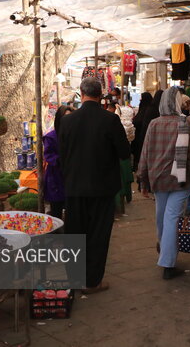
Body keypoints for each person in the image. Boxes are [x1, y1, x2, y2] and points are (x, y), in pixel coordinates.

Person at [58, 77, 130, 294]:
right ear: (101, 94)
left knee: (75, 233)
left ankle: (73, 278)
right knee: (98, 234)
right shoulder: (109, 120)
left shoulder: (67, 121)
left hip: (74, 186)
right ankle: (92, 281)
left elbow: (62, 154)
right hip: (102, 187)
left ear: (81, 93)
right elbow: (125, 153)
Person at [138, 87, 190, 279]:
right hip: (180, 179)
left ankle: (164, 245)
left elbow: (145, 152)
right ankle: (167, 263)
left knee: (162, 216)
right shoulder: (184, 123)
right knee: (171, 218)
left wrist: (143, 180)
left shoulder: (153, 124)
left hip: (158, 178)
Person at [43, 105, 74, 219]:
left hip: (72, 179)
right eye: (65, 118)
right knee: (56, 213)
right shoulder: (50, 137)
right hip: (55, 179)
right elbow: (48, 155)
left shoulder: (76, 136)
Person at [131, 92, 153, 173]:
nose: (140, 99)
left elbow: (139, 121)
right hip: (140, 136)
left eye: (141, 98)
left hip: (142, 137)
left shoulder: (147, 110)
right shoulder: (147, 109)